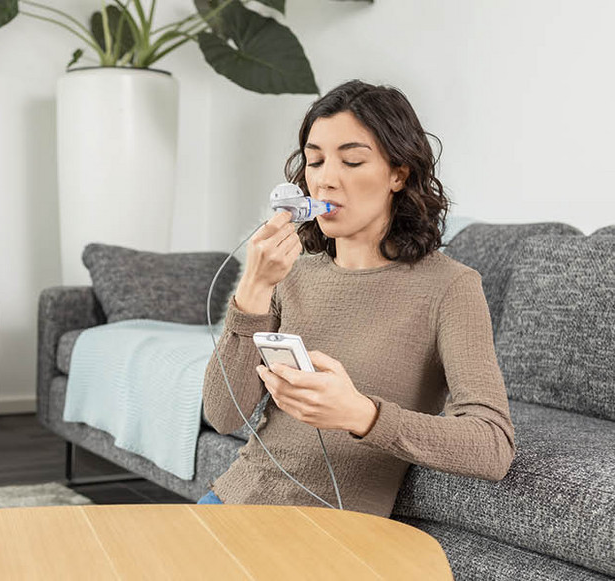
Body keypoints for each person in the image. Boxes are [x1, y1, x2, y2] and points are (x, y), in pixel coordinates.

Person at [198, 79, 516, 517]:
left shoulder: (451, 287)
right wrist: (253, 290)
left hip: (330, 533)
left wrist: (361, 414)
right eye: (315, 161)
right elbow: (223, 414)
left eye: (351, 160)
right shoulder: (290, 275)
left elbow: (492, 444)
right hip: (228, 501)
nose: (325, 179)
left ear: (398, 173)